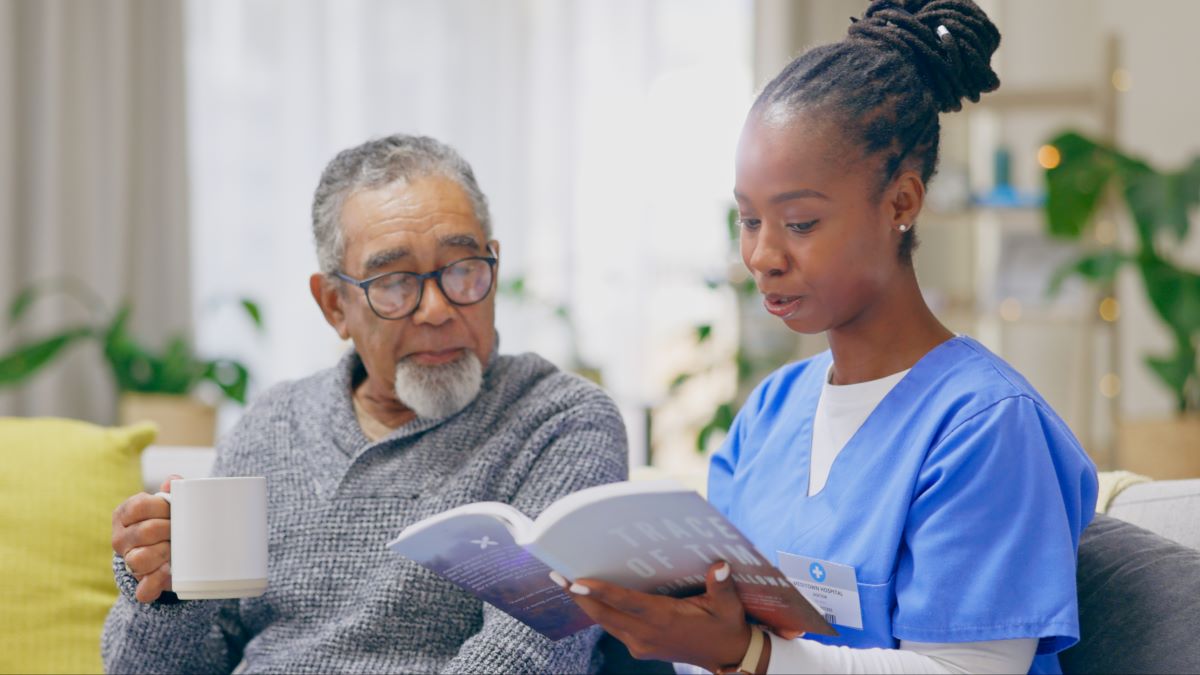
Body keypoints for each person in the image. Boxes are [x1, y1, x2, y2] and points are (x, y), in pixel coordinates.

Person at [557, 2, 1097, 674]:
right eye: (749, 220)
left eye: (801, 222)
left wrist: (748, 654)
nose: (762, 255)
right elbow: (714, 627)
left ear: (900, 202)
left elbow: (970, 669)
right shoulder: (771, 411)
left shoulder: (984, 428)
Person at [103, 134, 628, 673]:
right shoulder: (271, 426)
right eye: (395, 283)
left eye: (462, 269)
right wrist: (164, 590)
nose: (436, 309)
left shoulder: (561, 419)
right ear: (335, 305)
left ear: (493, 265)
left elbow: (530, 654)